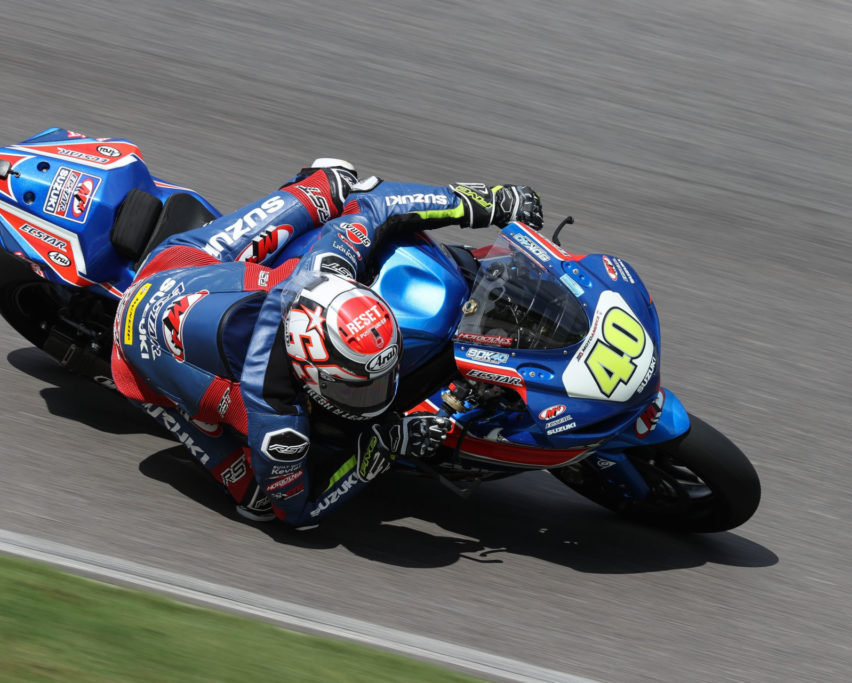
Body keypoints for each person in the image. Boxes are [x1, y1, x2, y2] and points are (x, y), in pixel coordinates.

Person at [110, 160, 542, 528]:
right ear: (307, 374)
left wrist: (483, 202)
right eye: (359, 386)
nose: (379, 390)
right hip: (134, 359)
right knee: (259, 502)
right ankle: (159, 395)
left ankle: (314, 185)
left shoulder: (327, 268)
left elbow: (378, 202)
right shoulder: (274, 419)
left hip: (183, 263)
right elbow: (298, 510)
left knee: (337, 181)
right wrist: (383, 446)